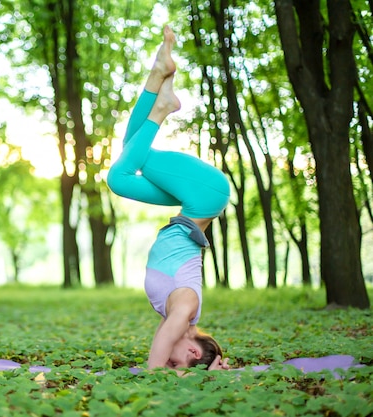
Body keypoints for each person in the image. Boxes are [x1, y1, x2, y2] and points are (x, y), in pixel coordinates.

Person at [106, 25, 230, 372]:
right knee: (119, 175)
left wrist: (213, 369)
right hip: (206, 193)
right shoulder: (186, 308)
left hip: (196, 200)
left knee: (129, 155)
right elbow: (162, 348)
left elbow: (164, 341)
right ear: (191, 351)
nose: (170, 359)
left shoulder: (176, 317)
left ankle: (160, 76)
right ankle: (161, 107)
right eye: (179, 362)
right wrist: (156, 373)